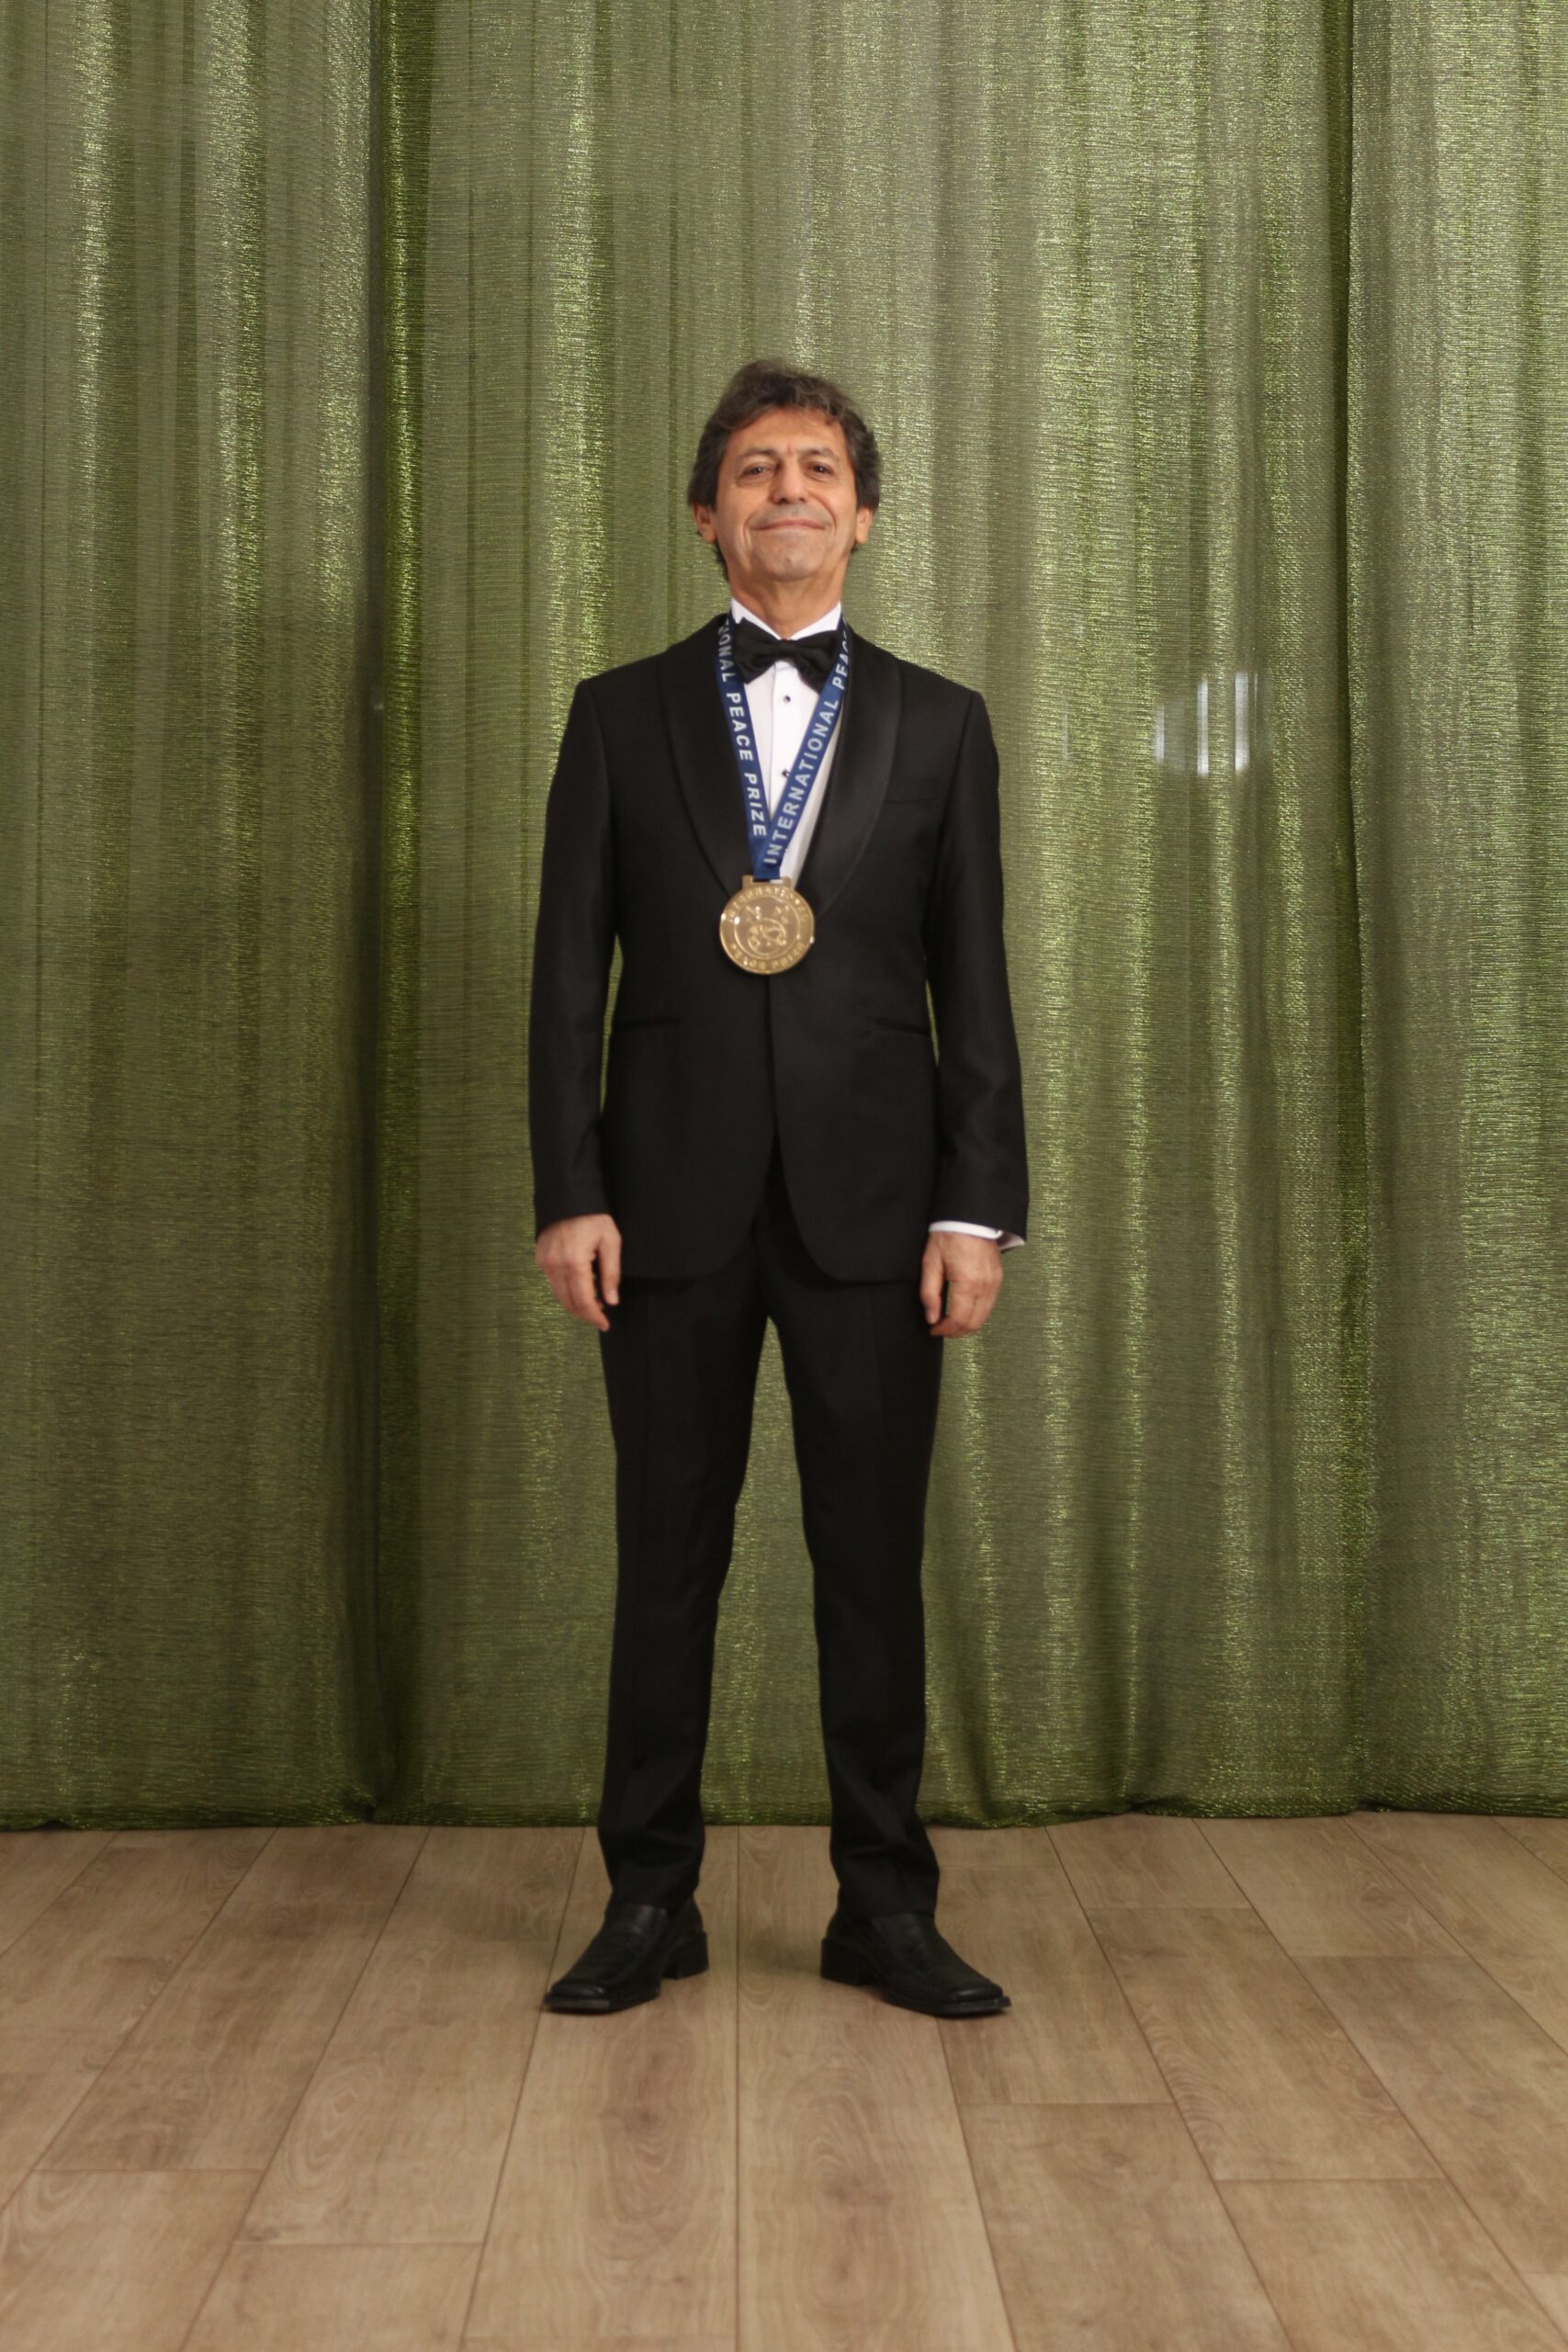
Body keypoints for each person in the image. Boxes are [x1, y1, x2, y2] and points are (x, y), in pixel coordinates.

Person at [528, 358, 1029, 2019]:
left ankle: (883, 1907)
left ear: (863, 515)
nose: (789, 491)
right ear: (706, 515)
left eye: (818, 468)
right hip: (659, 1210)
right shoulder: (616, 716)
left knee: (870, 1569)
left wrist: (976, 1210)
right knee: (663, 1563)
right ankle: (646, 1900)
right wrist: (568, 1190)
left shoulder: (945, 724)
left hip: (879, 1218)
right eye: (756, 469)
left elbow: (975, 988)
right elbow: (565, 981)